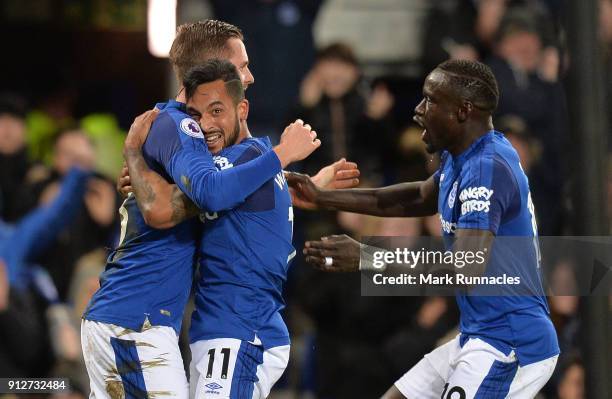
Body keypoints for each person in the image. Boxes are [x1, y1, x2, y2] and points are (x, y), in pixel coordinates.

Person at [288, 59, 559, 398]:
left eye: (430, 100)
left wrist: (366, 257)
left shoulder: (486, 169)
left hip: (511, 342)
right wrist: (324, 198)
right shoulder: (465, 157)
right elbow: (418, 195)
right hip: (479, 334)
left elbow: (464, 270)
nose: (418, 110)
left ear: (462, 111)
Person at [81, 20, 321, 399]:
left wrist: (290, 181)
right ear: (210, 71)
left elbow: (225, 186)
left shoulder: (193, 135)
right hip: (134, 321)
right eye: (241, 66)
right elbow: (179, 204)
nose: (251, 76)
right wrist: (281, 155)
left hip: (146, 321)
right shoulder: (181, 127)